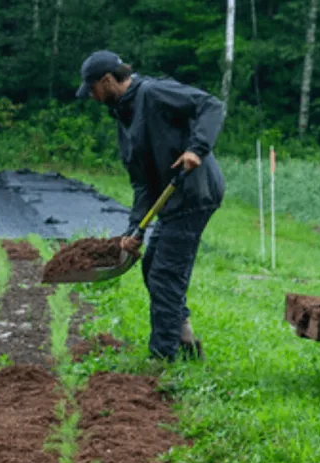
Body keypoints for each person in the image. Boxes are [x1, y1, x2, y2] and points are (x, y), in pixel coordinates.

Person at [76, 50, 225, 361]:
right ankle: (184, 341)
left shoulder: (154, 93)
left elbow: (210, 105)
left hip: (194, 194)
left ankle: (163, 357)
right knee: (151, 265)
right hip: (173, 199)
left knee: (165, 275)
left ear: (106, 81)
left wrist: (196, 149)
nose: (91, 96)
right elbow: (143, 184)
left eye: (92, 88)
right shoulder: (124, 115)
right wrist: (134, 231)